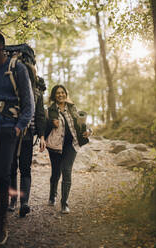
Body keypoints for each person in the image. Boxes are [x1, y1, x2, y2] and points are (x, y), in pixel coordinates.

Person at [0, 32, 34, 245]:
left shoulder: (16, 68)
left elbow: (29, 105)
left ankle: (0, 222)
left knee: (2, 175)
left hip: (8, 128)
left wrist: (18, 128)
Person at [45, 85, 91, 214]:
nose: (60, 95)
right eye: (58, 93)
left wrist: (88, 131)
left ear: (66, 94)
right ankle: (52, 195)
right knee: (56, 172)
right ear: (54, 96)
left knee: (66, 170)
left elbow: (81, 123)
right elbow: (45, 126)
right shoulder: (51, 110)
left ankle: (64, 203)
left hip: (71, 145)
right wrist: (51, 123)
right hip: (55, 146)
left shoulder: (72, 107)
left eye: (62, 92)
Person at [8, 75, 46, 217]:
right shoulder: (11, 84)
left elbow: (40, 115)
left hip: (28, 134)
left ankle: (24, 202)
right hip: (11, 133)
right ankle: (13, 200)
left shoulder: (36, 91)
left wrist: (42, 136)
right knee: (11, 168)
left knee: (25, 168)